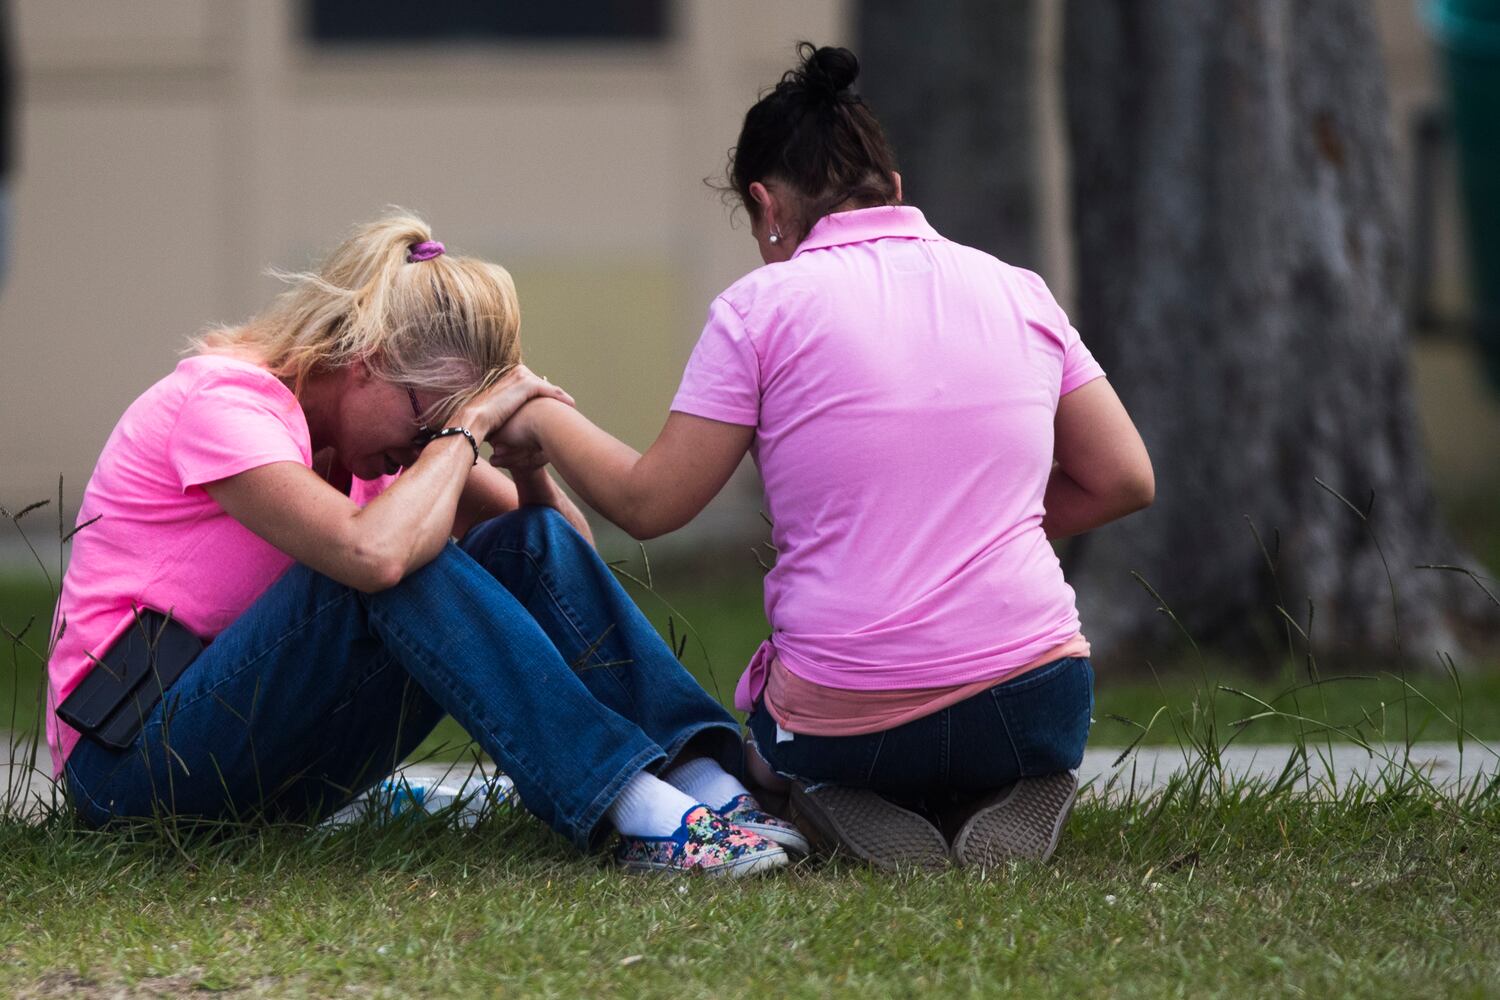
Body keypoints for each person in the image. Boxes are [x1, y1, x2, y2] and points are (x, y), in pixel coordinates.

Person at [489, 45, 1154, 869]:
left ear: (766, 205)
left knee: (768, 756)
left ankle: (830, 793)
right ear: (895, 189)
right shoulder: (1019, 289)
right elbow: (1126, 476)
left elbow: (650, 505)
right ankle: (1012, 788)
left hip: (850, 717)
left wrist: (541, 416)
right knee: (989, 723)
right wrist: (976, 525)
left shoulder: (762, 307)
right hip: (1037, 701)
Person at [48, 213, 805, 876]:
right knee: (394, 566)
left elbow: (556, 558)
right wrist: (465, 432)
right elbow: (369, 557)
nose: (423, 446)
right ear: (365, 358)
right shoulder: (223, 402)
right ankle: (638, 810)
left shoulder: (401, 458)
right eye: (422, 420)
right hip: (131, 768)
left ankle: (711, 782)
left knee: (507, 539)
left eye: (441, 425)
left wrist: (530, 463)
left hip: (262, 771)